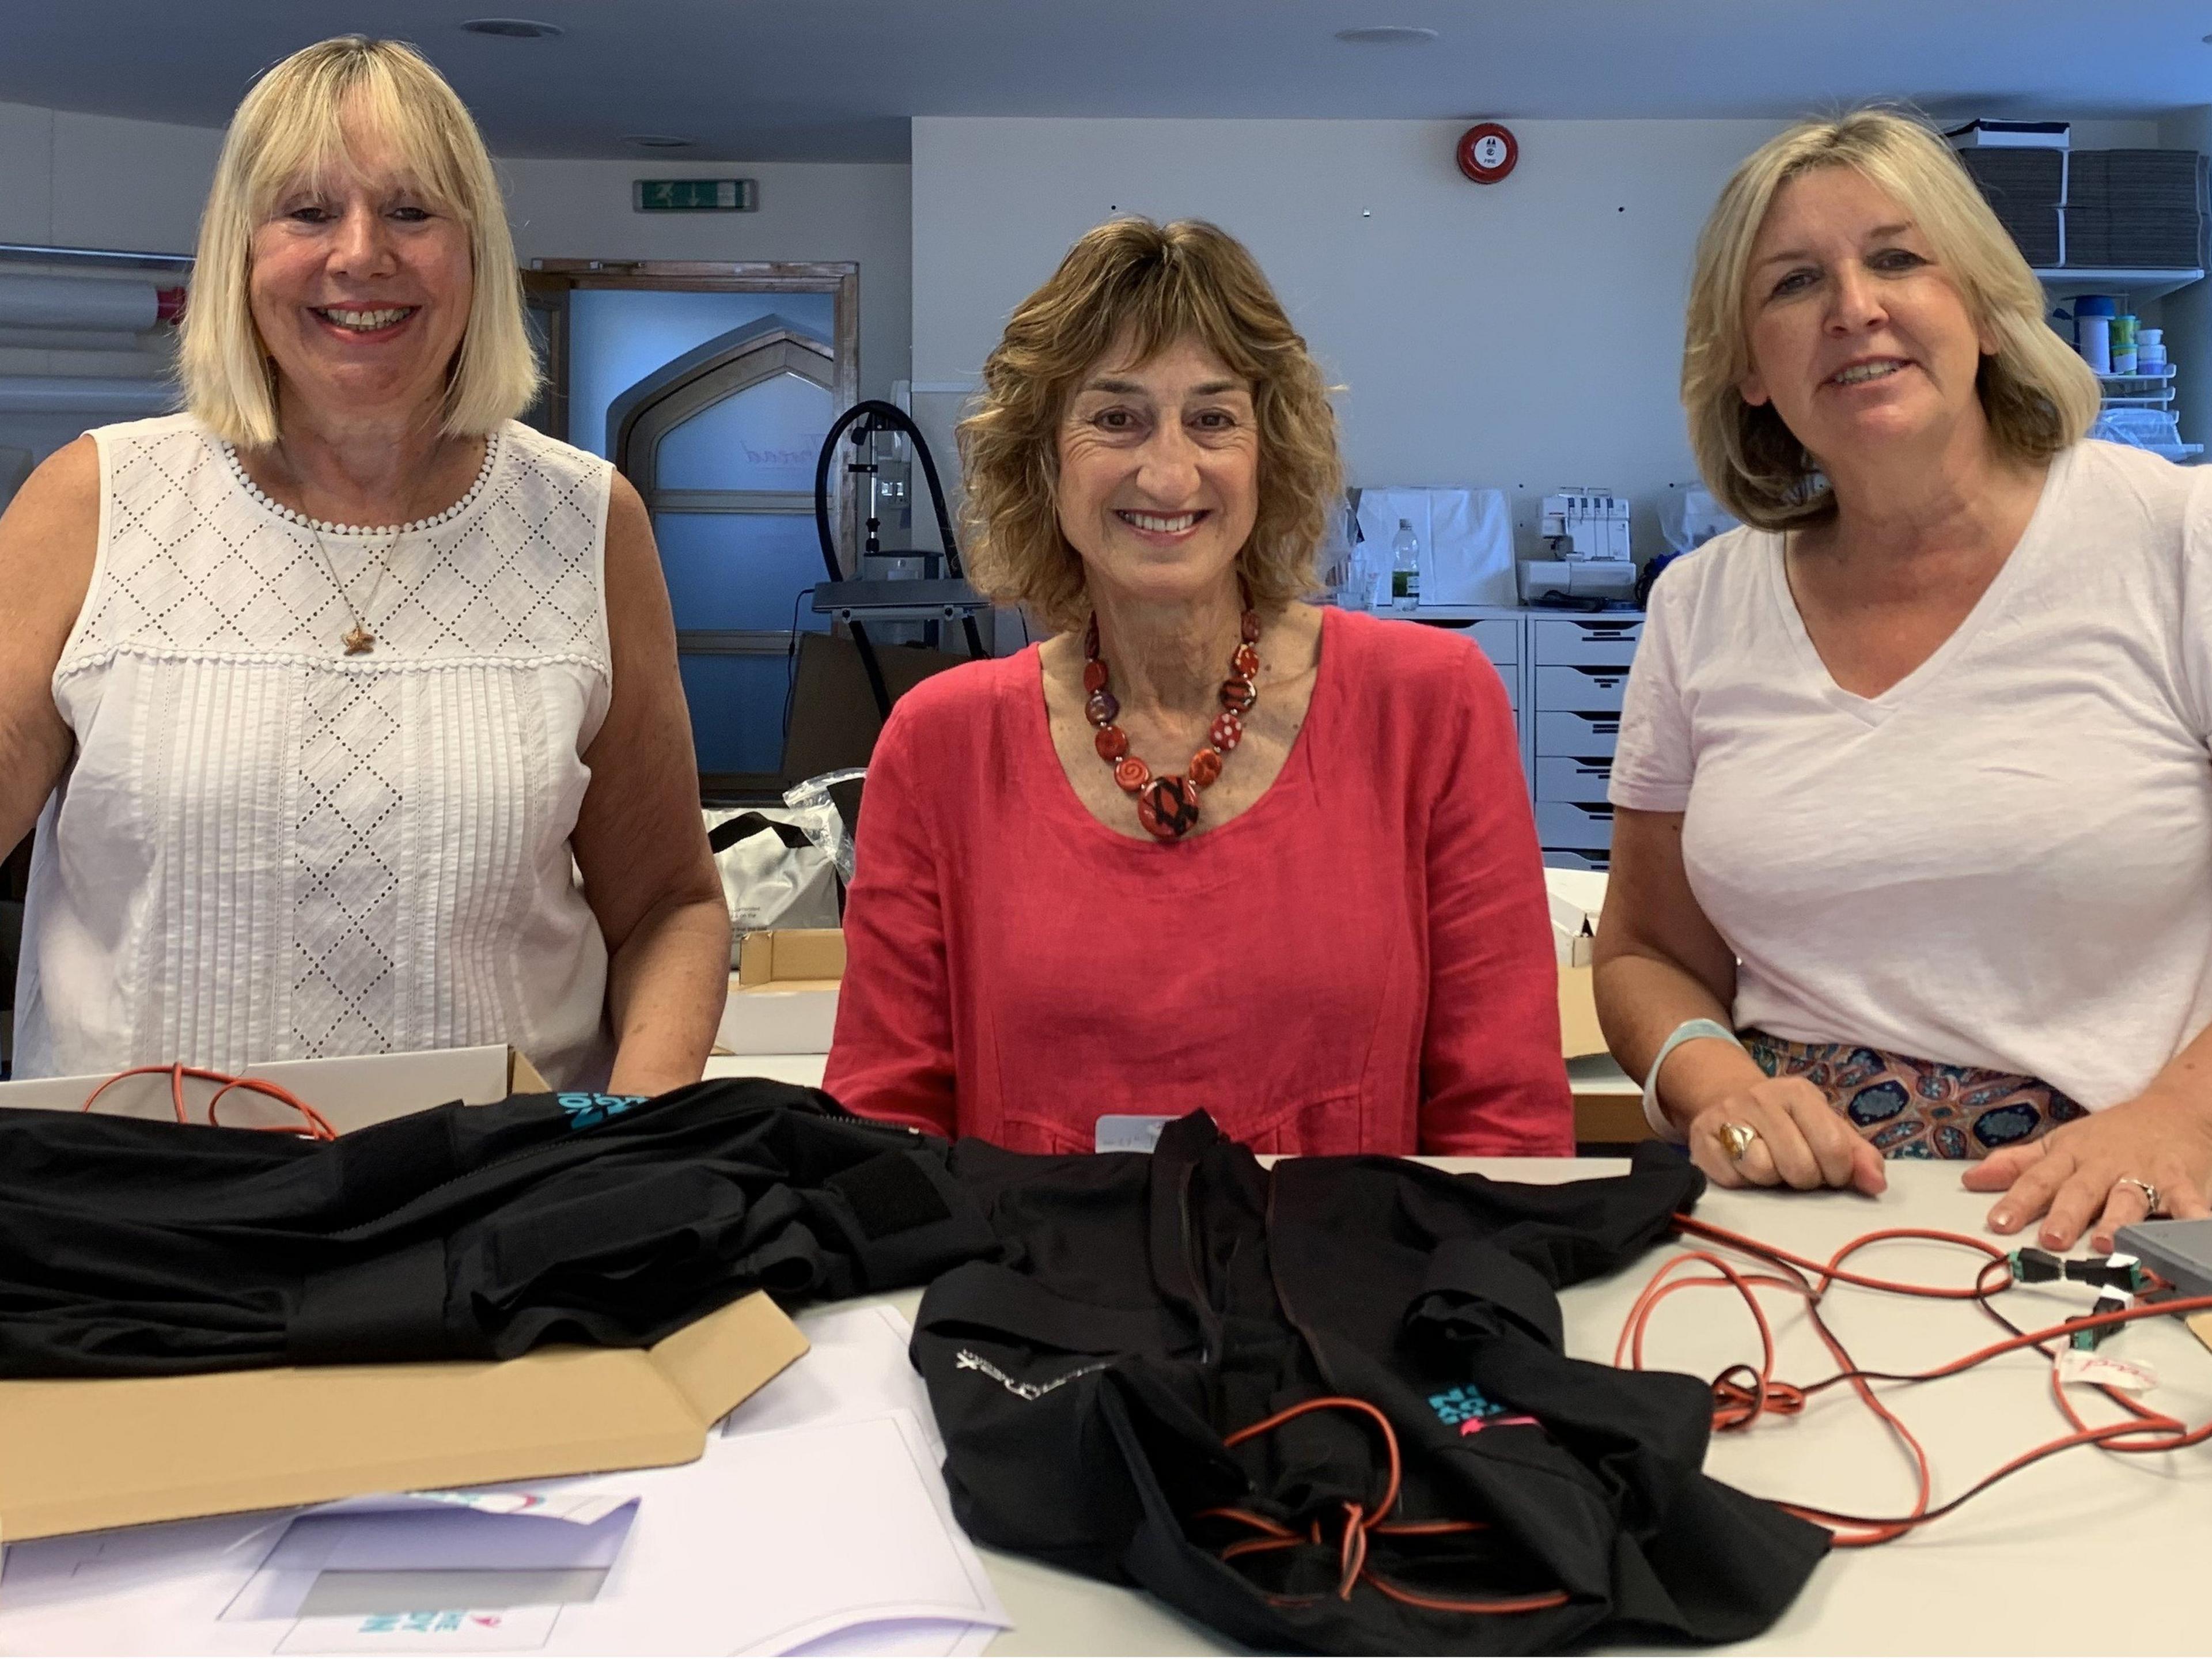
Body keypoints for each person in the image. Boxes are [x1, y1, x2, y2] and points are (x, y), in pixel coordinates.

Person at [0, 37, 727, 1092]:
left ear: (473, 252)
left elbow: (670, 903)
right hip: (145, 1213)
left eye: (411, 212)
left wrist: (624, 1141)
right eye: (306, 212)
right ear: (238, 253)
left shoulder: (584, 520)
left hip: (493, 1211)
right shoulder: (93, 502)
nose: (360, 255)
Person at [1596, 109, 2212, 1252]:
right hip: (1787, 1214)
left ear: (1979, 304)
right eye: (1791, 284)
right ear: (1747, 371)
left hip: (2125, 1206)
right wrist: (1714, 1086)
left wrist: (2183, 1117)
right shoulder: (1700, 605)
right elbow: (1645, 953)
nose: (1853, 307)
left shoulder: (2180, 540)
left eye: (1896, 258)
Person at [824, 218, 1569, 1156]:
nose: (1169, 472)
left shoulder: (1430, 706)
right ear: (1043, 460)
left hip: (1353, 1288)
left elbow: (1505, 1119)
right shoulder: (941, 744)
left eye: (1213, 419)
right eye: (1116, 417)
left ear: (1272, 454)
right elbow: (885, 1124)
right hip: (1034, 1292)